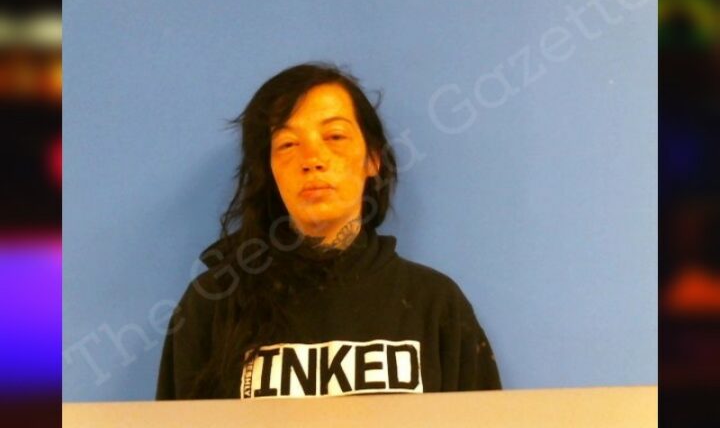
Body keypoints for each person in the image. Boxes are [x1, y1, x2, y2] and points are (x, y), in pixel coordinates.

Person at [155, 62, 501, 400]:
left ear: (373, 159)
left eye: (335, 136)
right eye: (288, 144)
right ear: (270, 169)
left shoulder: (435, 304)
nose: (312, 159)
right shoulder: (213, 304)